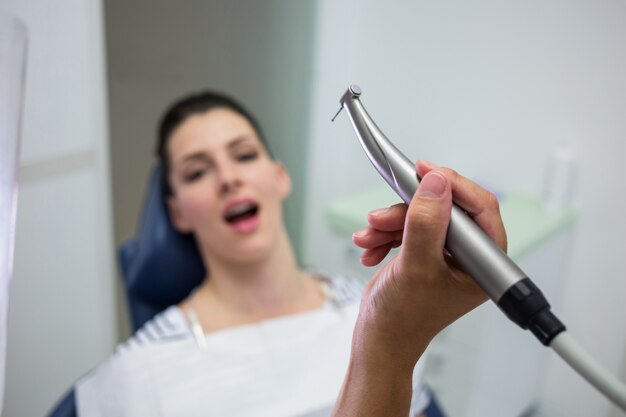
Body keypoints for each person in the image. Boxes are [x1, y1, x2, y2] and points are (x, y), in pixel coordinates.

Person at [74, 91, 438, 416]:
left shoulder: (376, 311)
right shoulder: (142, 371)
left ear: (279, 176)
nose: (228, 178)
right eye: (197, 172)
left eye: (244, 155)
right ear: (177, 213)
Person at [331, 164, 507, 417]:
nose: (248, 179)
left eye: (250, 156)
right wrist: (388, 340)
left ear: (280, 175)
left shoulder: (349, 290)